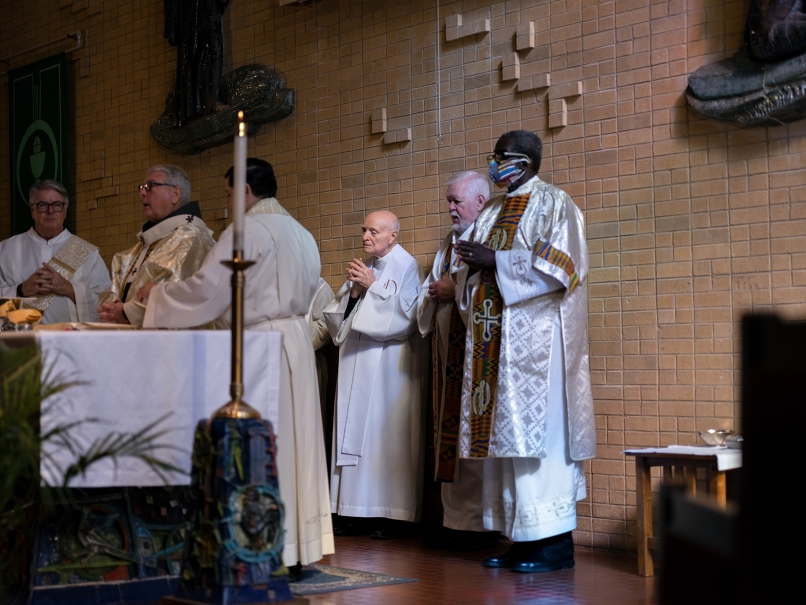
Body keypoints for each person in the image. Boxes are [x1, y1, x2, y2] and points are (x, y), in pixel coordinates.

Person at [137, 158, 334, 579]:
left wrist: (154, 299)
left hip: (260, 346)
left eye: (228, 194)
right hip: (296, 344)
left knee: (269, 446)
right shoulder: (302, 233)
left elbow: (208, 291)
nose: (226, 204)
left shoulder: (245, 232)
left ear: (245, 191)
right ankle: (301, 546)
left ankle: (266, 542)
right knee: (298, 446)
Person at [452, 130, 596, 573]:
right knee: (506, 446)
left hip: (539, 349)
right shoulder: (492, 210)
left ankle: (553, 546)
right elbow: (466, 267)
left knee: (540, 443)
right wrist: (470, 268)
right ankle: (521, 538)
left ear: (526, 161)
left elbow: (564, 266)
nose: (495, 165)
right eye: (492, 156)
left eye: (502, 157)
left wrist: (495, 261)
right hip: (495, 348)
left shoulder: (556, 204)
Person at [324, 211, 425, 539]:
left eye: (374, 232)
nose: (366, 237)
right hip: (355, 361)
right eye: (364, 230)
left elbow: (406, 319)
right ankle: (351, 510)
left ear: (393, 235)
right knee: (352, 438)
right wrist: (354, 294)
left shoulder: (408, 267)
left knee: (383, 440)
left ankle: (388, 515)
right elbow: (338, 323)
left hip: (387, 372)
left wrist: (374, 287)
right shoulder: (365, 268)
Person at [416, 171, 500, 551]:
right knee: (453, 436)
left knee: (479, 437)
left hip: (481, 361)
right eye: (449, 200)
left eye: (456, 201)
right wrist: (434, 293)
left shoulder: (491, 241)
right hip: (449, 358)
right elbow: (431, 288)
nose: (450, 208)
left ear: (480, 202)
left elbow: (496, 292)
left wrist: (457, 289)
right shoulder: (449, 246)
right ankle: (456, 523)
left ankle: (484, 526)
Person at [97, 165, 214, 326]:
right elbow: (115, 293)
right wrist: (110, 309)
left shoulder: (193, 239)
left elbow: (179, 297)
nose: (142, 193)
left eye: (150, 186)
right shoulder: (143, 247)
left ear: (175, 194)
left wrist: (126, 312)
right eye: (142, 187)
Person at [0, 179, 110, 324]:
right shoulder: (6, 250)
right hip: (21, 343)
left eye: (57, 205)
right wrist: (21, 290)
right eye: (42, 205)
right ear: (32, 210)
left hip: (69, 342)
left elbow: (107, 303)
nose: (50, 211)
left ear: (65, 210)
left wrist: (69, 288)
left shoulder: (87, 253)